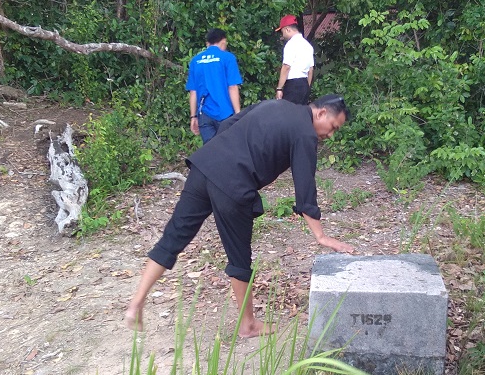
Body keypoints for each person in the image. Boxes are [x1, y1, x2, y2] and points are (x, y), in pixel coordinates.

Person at [125, 94, 354, 338]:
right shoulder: (305, 133)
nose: (330, 135)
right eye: (332, 128)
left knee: (173, 237)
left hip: (205, 166)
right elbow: (304, 183)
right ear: (320, 114)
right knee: (239, 257)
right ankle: (248, 325)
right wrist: (320, 235)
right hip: (233, 183)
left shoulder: (273, 104)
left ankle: (136, 303)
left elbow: (227, 125)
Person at [186, 28, 243, 144]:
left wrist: (193, 117)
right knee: (229, 149)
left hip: (204, 114)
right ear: (223, 41)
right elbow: (232, 87)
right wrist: (238, 114)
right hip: (225, 113)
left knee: (210, 152)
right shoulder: (227, 58)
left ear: (208, 43)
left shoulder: (195, 61)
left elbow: (193, 92)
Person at [274, 15, 314, 105]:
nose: (282, 35)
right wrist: (307, 87)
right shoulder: (307, 45)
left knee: (288, 115)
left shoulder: (291, 44)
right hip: (304, 84)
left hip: (293, 85)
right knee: (300, 114)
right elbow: (310, 70)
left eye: (282, 31)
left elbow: (286, 67)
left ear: (287, 29)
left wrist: (279, 88)